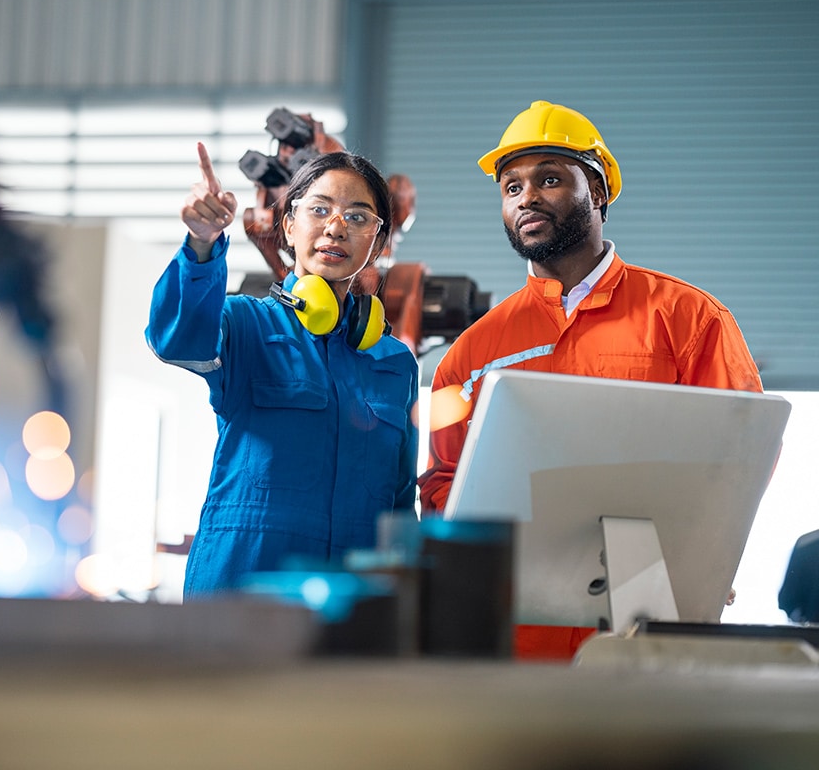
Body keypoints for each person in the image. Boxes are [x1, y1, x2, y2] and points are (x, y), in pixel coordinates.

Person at [416, 100, 763, 658]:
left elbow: (739, 454)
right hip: (517, 627)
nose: (526, 197)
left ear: (598, 192)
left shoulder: (688, 318)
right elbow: (441, 481)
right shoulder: (472, 352)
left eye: (549, 179)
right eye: (511, 187)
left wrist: (708, 558)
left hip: (649, 617)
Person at [146, 143, 420, 598]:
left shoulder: (393, 363)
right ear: (289, 226)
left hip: (352, 604)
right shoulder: (245, 325)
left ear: (377, 241)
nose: (336, 227)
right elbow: (176, 339)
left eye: (358, 217)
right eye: (320, 209)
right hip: (242, 594)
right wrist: (201, 244)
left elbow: (398, 505)